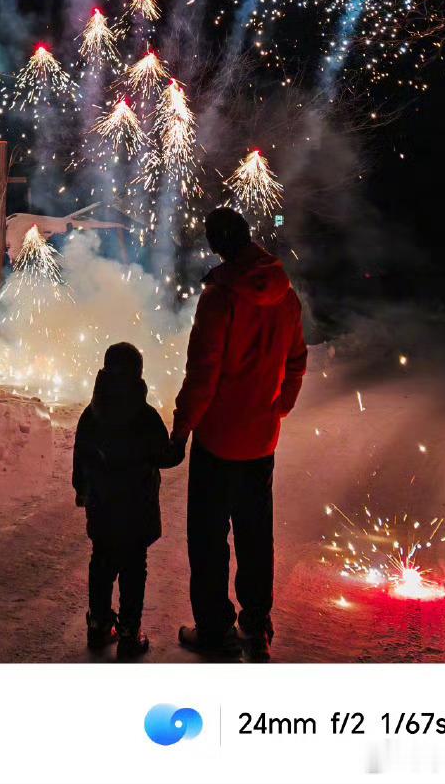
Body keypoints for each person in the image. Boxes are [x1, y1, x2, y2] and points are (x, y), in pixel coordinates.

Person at [170, 206, 307, 662]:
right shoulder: (286, 294)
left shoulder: (220, 296)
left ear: (218, 243)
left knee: (209, 538)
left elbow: (203, 372)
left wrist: (182, 426)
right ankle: (256, 625)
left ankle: (215, 631)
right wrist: (277, 408)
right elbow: (297, 360)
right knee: (255, 533)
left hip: (217, 440)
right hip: (261, 440)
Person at [73, 340, 183, 660]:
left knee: (102, 562)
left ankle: (98, 625)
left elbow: (80, 458)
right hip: (137, 512)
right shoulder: (145, 417)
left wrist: (82, 489)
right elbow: (165, 456)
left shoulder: (91, 415)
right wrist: (179, 441)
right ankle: (129, 634)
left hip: (102, 510)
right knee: (134, 568)